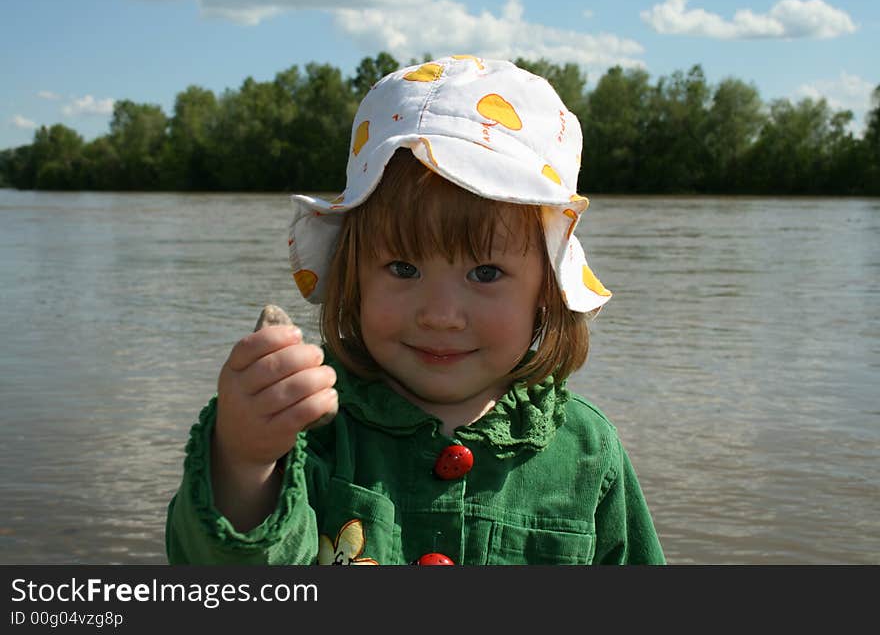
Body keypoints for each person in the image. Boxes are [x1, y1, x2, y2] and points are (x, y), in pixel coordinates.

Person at [165, 55, 665, 565]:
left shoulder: (588, 450)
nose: (441, 315)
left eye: (485, 273)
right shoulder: (312, 427)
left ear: (547, 290)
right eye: (403, 268)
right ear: (353, 276)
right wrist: (245, 459)